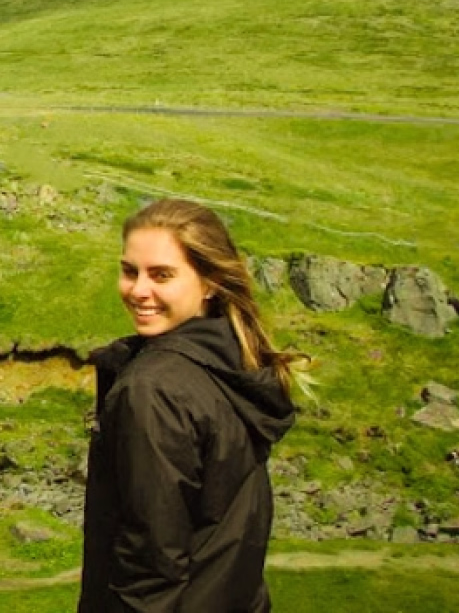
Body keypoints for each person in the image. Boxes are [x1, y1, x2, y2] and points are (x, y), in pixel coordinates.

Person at [79, 198, 300, 613]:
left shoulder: (153, 390)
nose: (138, 290)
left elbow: (152, 562)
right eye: (130, 271)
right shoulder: (237, 363)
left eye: (161, 275)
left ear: (210, 282)